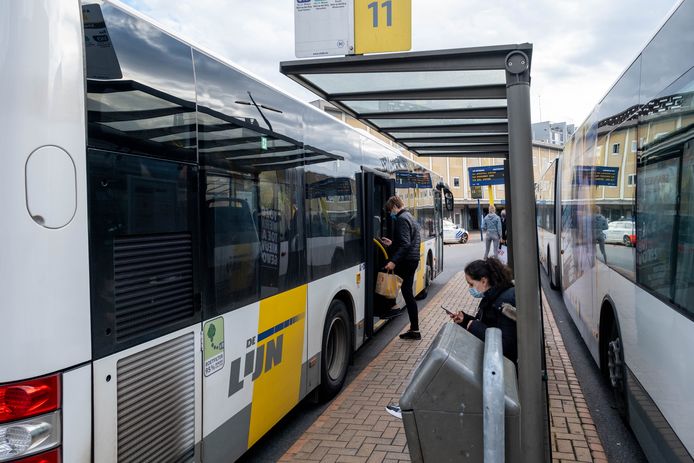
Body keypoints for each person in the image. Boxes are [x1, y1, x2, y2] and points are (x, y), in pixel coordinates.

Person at [449, 258, 518, 363]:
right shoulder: (492, 296)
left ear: (484, 281)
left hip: (504, 367)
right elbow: (486, 324)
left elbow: (505, 345)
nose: (469, 288)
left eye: (471, 284)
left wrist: (473, 326)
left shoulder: (504, 303)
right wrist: (465, 320)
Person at [381, 196, 422, 340]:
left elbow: (405, 244)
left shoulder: (401, 219)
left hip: (407, 261)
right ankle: (414, 329)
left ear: (393, 207)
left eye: (389, 210)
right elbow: (407, 241)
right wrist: (392, 244)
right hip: (413, 259)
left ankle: (390, 308)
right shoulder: (409, 216)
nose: (390, 214)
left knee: (387, 276)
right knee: (407, 293)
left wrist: (393, 261)